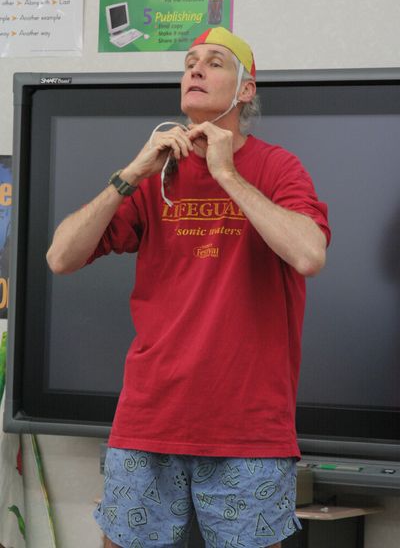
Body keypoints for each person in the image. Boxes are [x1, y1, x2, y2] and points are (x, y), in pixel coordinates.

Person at [47, 27, 330, 548]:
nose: (195, 70)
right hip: (148, 418)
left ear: (246, 89)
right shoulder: (155, 175)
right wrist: (133, 171)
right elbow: (60, 256)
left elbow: (309, 254)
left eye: (215, 62)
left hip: (248, 428)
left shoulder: (277, 167)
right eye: (190, 61)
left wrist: (226, 174)